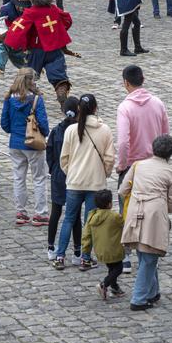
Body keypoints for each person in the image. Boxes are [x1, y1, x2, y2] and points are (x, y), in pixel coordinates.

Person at [115, 64, 169, 273]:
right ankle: (151, 249)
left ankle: (126, 256)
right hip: (154, 165)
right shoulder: (158, 103)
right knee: (153, 209)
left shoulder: (125, 108)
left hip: (133, 167)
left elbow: (123, 142)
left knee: (126, 211)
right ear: (143, 79)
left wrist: (121, 165)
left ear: (125, 82)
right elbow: (166, 135)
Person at [119, 134, 172, 311]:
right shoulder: (170, 172)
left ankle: (153, 292)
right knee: (149, 257)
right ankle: (138, 298)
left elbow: (123, 190)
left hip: (135, 211)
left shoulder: (138, 165)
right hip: (154, 215)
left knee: (144, 253)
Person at [55, 94, 115, 271]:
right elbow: (110, 158)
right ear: (95, 108)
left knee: (68, 219)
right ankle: (85, 258)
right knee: (89, 222)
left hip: (74, 182)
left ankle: (60, 256)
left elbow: (63, 158)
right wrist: (104, 173)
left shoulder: (71, 130)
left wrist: (71, 172)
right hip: (95, 183)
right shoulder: (104, 130)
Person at [3, 0, 74, 105]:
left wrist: (8, 38)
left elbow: (19, 27)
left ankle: (23, 97)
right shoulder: (54, 9)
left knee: (28, 75)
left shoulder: (31, 12)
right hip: (55, 49)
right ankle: (61, 94)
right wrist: (59, 31)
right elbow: (67, 19)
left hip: (37, 50)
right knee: (58, 76)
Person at [0, 68, 50, 227]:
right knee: (39, 178)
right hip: (33, 145)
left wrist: (15, 131)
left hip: (15, 144)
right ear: (32, 80)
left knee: (19, 177)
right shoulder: (36, 99)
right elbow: (43, 124)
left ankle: (21, 211)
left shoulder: (9, 99)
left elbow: (4, 124)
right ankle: (40, 213)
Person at [46, 97, 81, 262]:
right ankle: (77, 251)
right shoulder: (78, 132)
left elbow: (49, 152)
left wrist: (53, 169)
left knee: (56, 211)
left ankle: (51, 246)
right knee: (75, 215)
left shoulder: (56, 130)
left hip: (58, 175)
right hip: (75, 175)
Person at [82, 189, 126, 301]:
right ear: (110, 203)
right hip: (114, 249)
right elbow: (124, 224)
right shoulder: (114, 216)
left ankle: (115, 288)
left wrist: (86, 250)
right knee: (118, 268)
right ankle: (104, 285)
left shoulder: (92, 216)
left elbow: (86, 234)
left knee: (112, 268)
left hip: (100, 250)